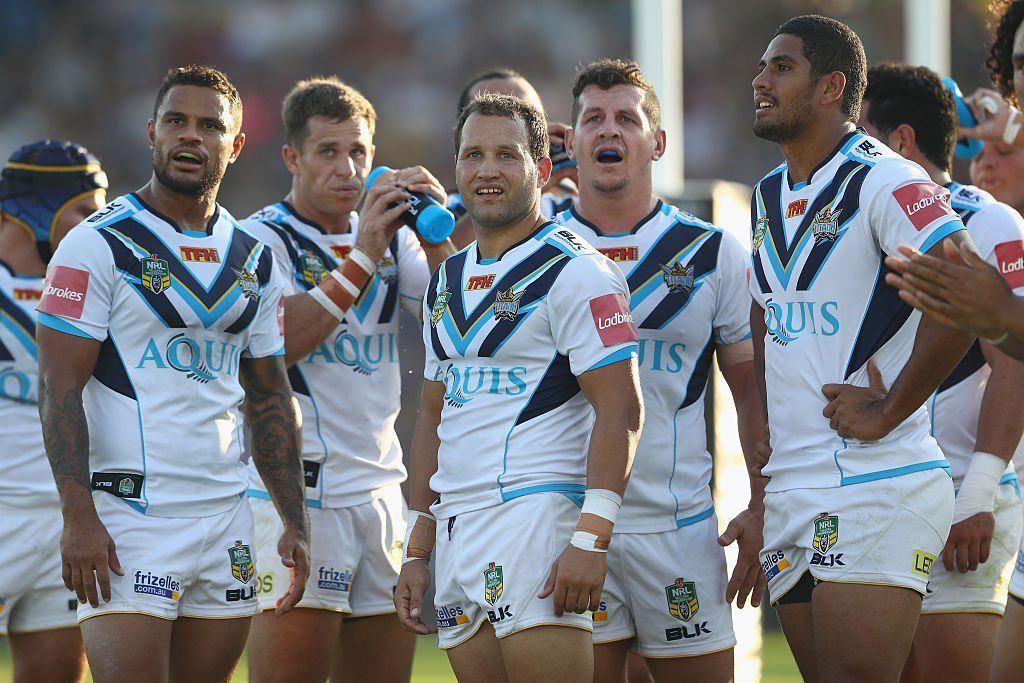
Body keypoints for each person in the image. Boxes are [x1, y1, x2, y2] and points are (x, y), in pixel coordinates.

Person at [34, 65, 310, 682]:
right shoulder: (96, 244)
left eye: (211, 125)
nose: (191, 135)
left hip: (226, 516)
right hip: (127, 516)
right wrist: (78, 516)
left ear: (235, 145)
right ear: (152, 132)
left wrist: (293, 519)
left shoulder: (256, 259)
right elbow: (59, 390)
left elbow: (270, 395)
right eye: (177, 121)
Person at [750, 15, 974, 681]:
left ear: (831, 86)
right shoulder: (767, 194)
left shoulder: (887, 178)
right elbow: (775, 326)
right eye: (762, 66)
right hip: (794, 487)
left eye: (781, 67)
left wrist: (891, 408)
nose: (760, 80)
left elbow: (963, 289)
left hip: (876, 479)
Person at [394, 93, 644, 682]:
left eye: (506, 155)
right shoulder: (445, 280)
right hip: (457, 527)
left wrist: (592, 537)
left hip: (536, 522)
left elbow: (623, 411)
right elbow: (433, 417)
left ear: (543, 169)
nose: (486, 170)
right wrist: (416, 547)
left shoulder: (577, 270)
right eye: (473, 155)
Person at [554, 58, 765, 683]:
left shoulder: (712, 253)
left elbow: (752, 393)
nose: (607, 130)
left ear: (658, 143)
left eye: (626, 118)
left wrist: (762, 500)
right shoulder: (540, 255)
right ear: (571, 141)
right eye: (593, 118)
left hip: (676, 528)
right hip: (570, 526)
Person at [239, 76, 454, 683]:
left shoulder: (389, 234)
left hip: (383, 493)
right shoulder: (261, 239)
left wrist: (437, 240)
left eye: (358, 152)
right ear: (292, 157)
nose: (347, 168)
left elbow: (458, 325)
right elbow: (278, 345)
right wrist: (362, 255)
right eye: (328, 152)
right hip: (299, 495)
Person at [859, 62, 1024, 683]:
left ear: (899, 141)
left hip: (963, 501)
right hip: (879, 497)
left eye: (860, 134)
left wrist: (978, 493)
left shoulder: (990, 222)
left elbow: (1014, 365)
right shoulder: (856, 223)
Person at [0, 139, 107, 683]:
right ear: (36, 208)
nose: (100, 222)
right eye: (86, 209)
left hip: (67, 525)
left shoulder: (98, 291)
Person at [448, 69, 577, 247]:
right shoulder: (445, 211)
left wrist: (589, 177)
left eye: (525, 115)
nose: (505, 123)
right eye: (486, 111)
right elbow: (442, 263)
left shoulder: (572, 201)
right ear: (459, 137)